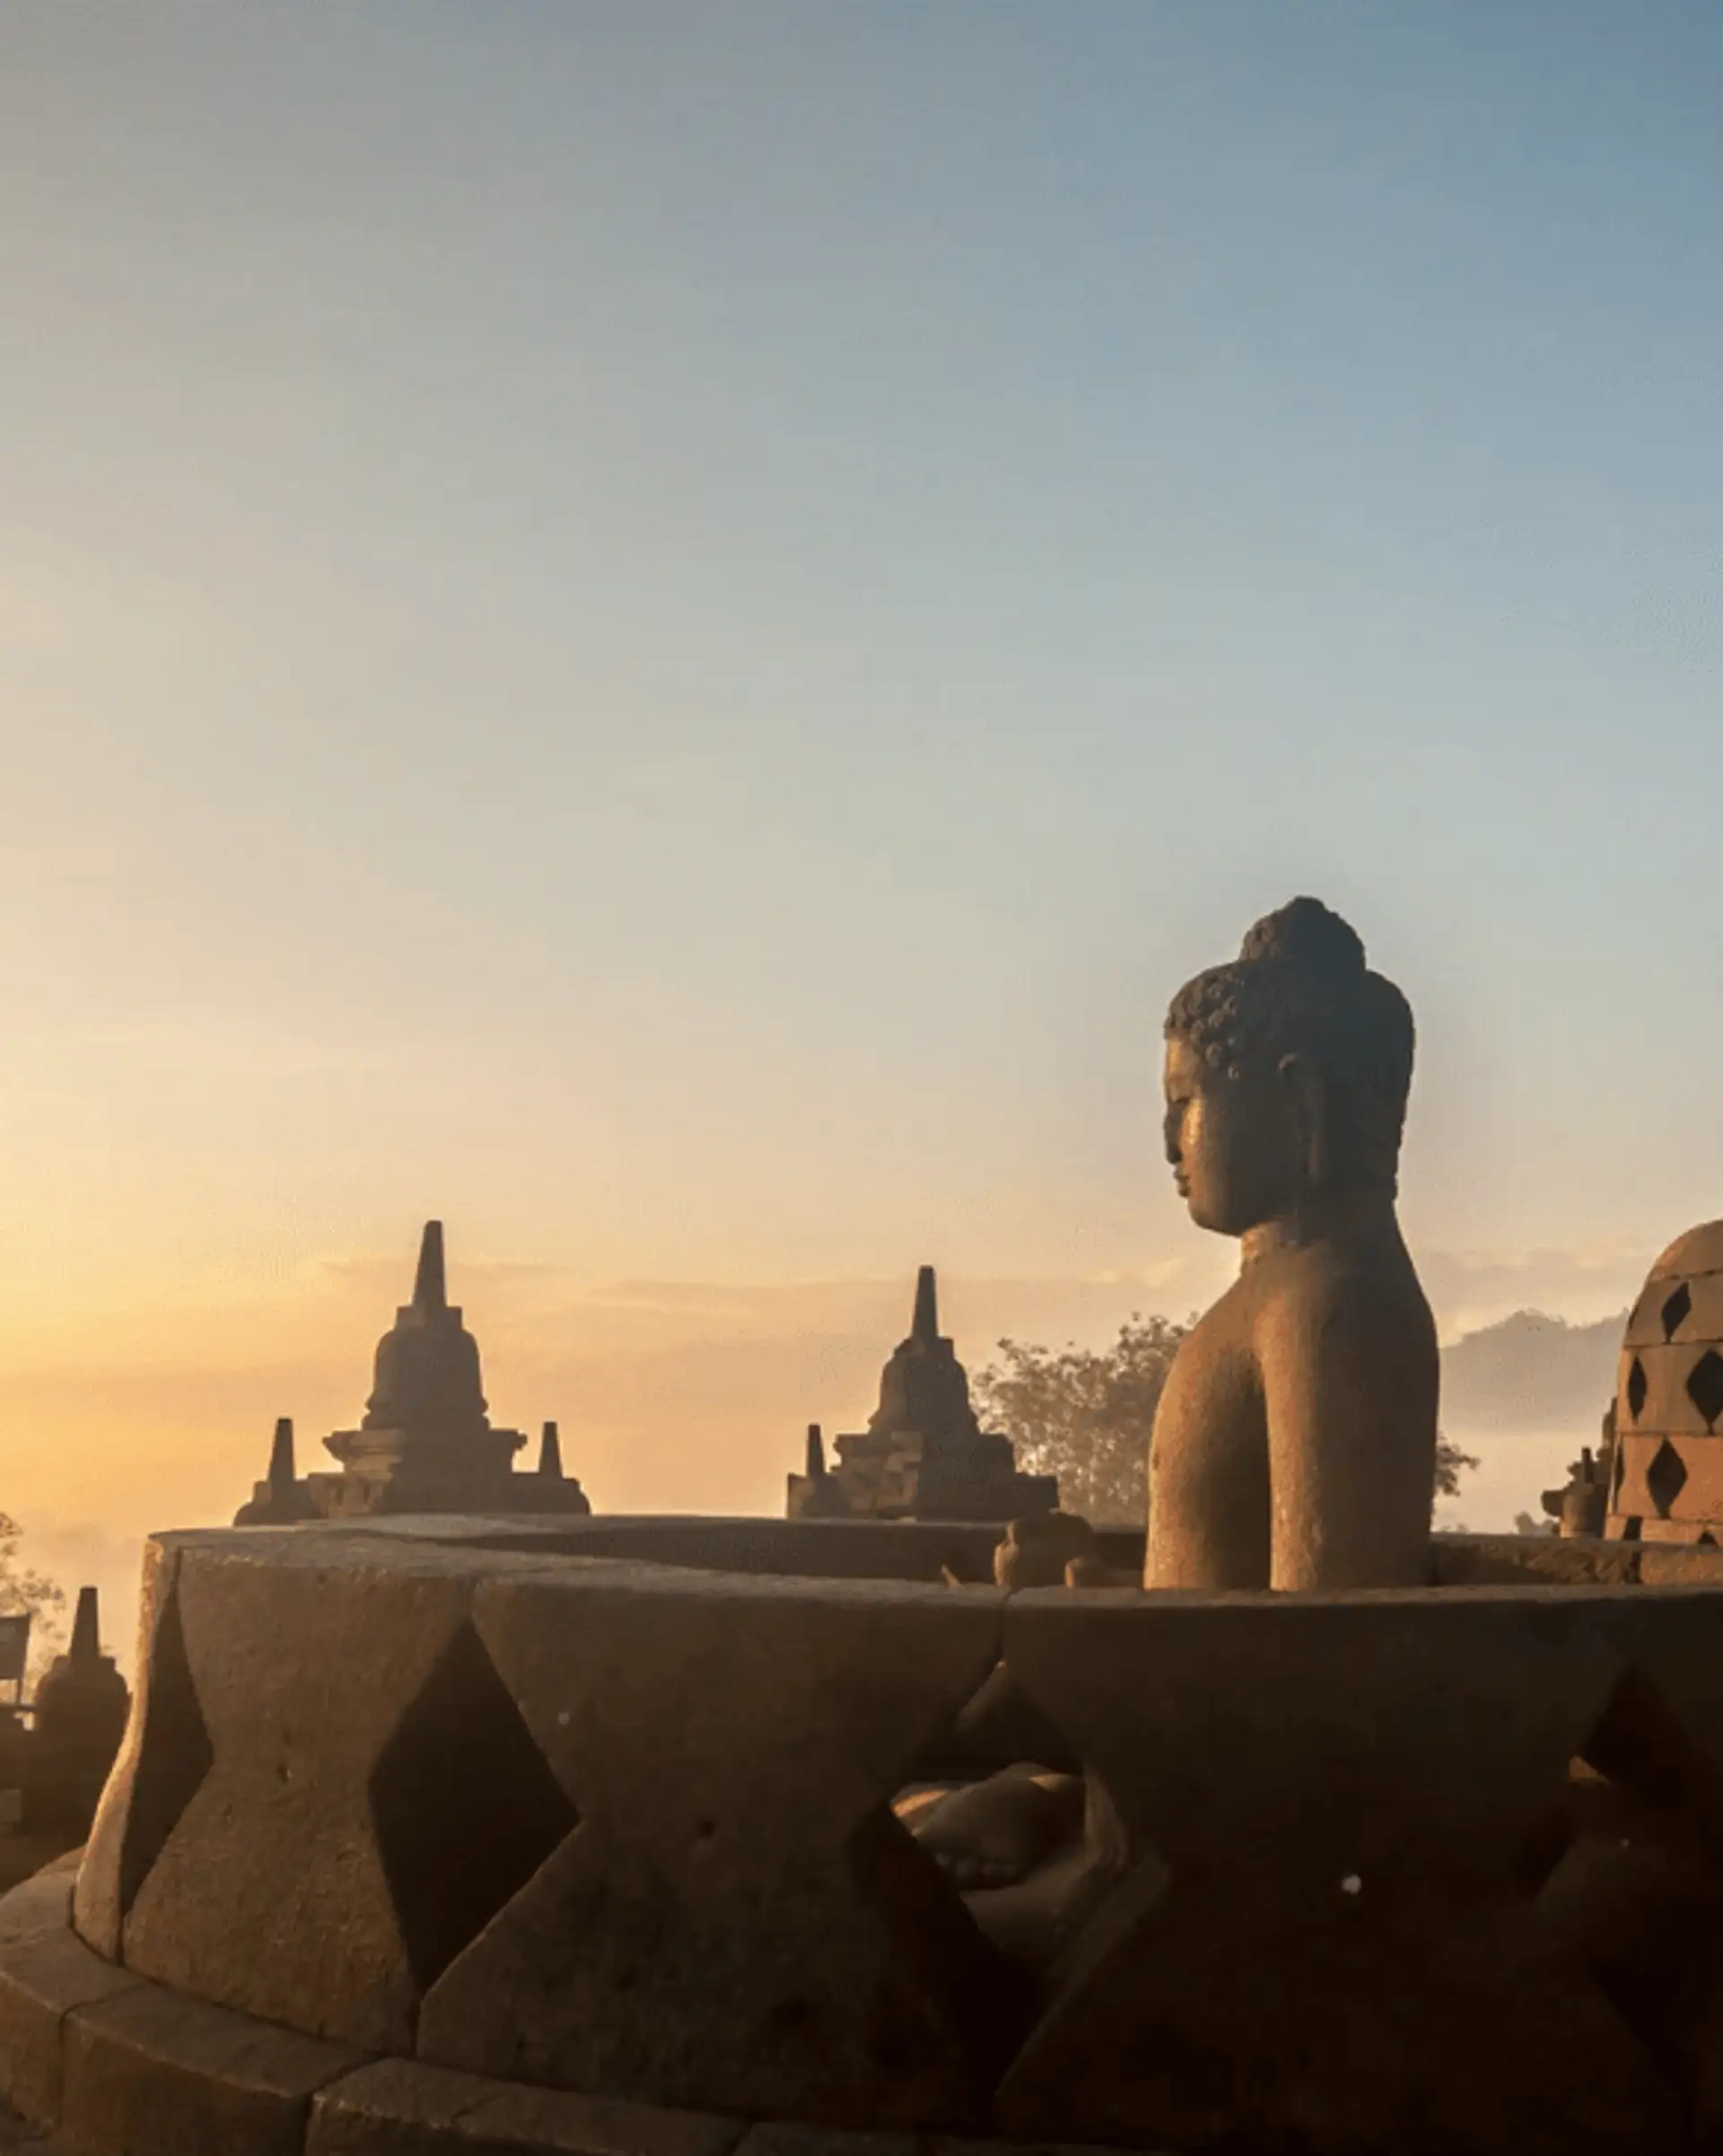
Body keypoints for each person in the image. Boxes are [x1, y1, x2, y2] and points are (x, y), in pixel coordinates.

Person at [904, 897, 1439, 1931]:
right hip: (1155, 1802)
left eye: (1186, 1102)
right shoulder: (1279, 1295)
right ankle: (1046, 1792)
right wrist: (1096, 1595)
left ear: (1302, 1104)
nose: (1166, 1141)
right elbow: (1232, 1597)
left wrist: (1095, 1636)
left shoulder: (1335, 1308)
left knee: (851, 1911)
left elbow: (1326, 1654)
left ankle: (1046, 1801)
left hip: (1209, 1870)